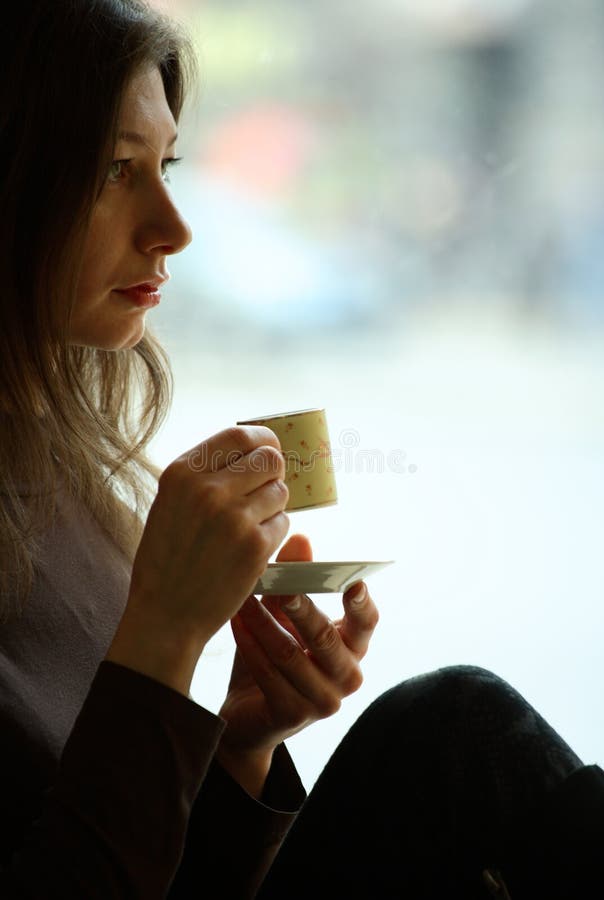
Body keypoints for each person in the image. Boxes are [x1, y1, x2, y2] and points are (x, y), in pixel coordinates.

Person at [1, 2, 602, 899]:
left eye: (166, 164)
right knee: (456, 730)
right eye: (114, 169)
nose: (175, 223)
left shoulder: (57, 471)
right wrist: (164, 634)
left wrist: (241, 743)